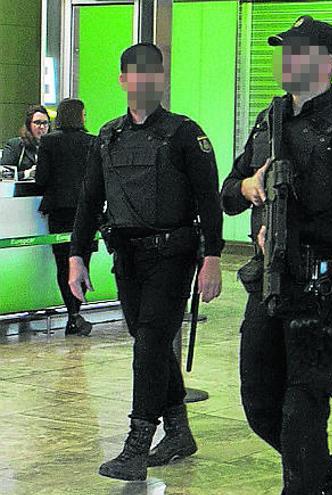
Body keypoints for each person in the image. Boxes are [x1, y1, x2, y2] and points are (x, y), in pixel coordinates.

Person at [220, 16, 332, 495]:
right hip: (267, 284)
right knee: (260, 406)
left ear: (329, 62)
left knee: (302, 409)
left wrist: (294, 229)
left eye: (298, 50)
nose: (285, 58)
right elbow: (228, 193)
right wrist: (248, 187)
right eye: (282, 49)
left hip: (321, 289)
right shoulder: (267, 121)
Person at [68, 43, 224, 481]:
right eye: (134, 75)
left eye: (152, 75)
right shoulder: (108, 135)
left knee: (150, 345)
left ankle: (137, 444)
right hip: (127, 258)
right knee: (150, 344)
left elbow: (208, 201)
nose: (143, 83)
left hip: (172, 257)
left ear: (161, 80)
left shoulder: (184, 135)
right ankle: (178, 431)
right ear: (123, 81)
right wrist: (77, 255)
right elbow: (88, 199)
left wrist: (212, 257)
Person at [34, 98, 97, 336]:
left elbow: (41, 179)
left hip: (59, 210)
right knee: (83, 261)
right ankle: (75, 313)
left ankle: (72, 314)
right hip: (87, 211)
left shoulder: (49, 142)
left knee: (64, 263)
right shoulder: (92, 142)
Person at [1, 105, 50, 181]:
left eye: (45, 123)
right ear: (28, 125)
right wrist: (27, 174)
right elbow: (4, 174)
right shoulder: (15, 145)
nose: (42, 127)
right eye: (37, 123)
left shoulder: (53, 146)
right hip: (23, 191)